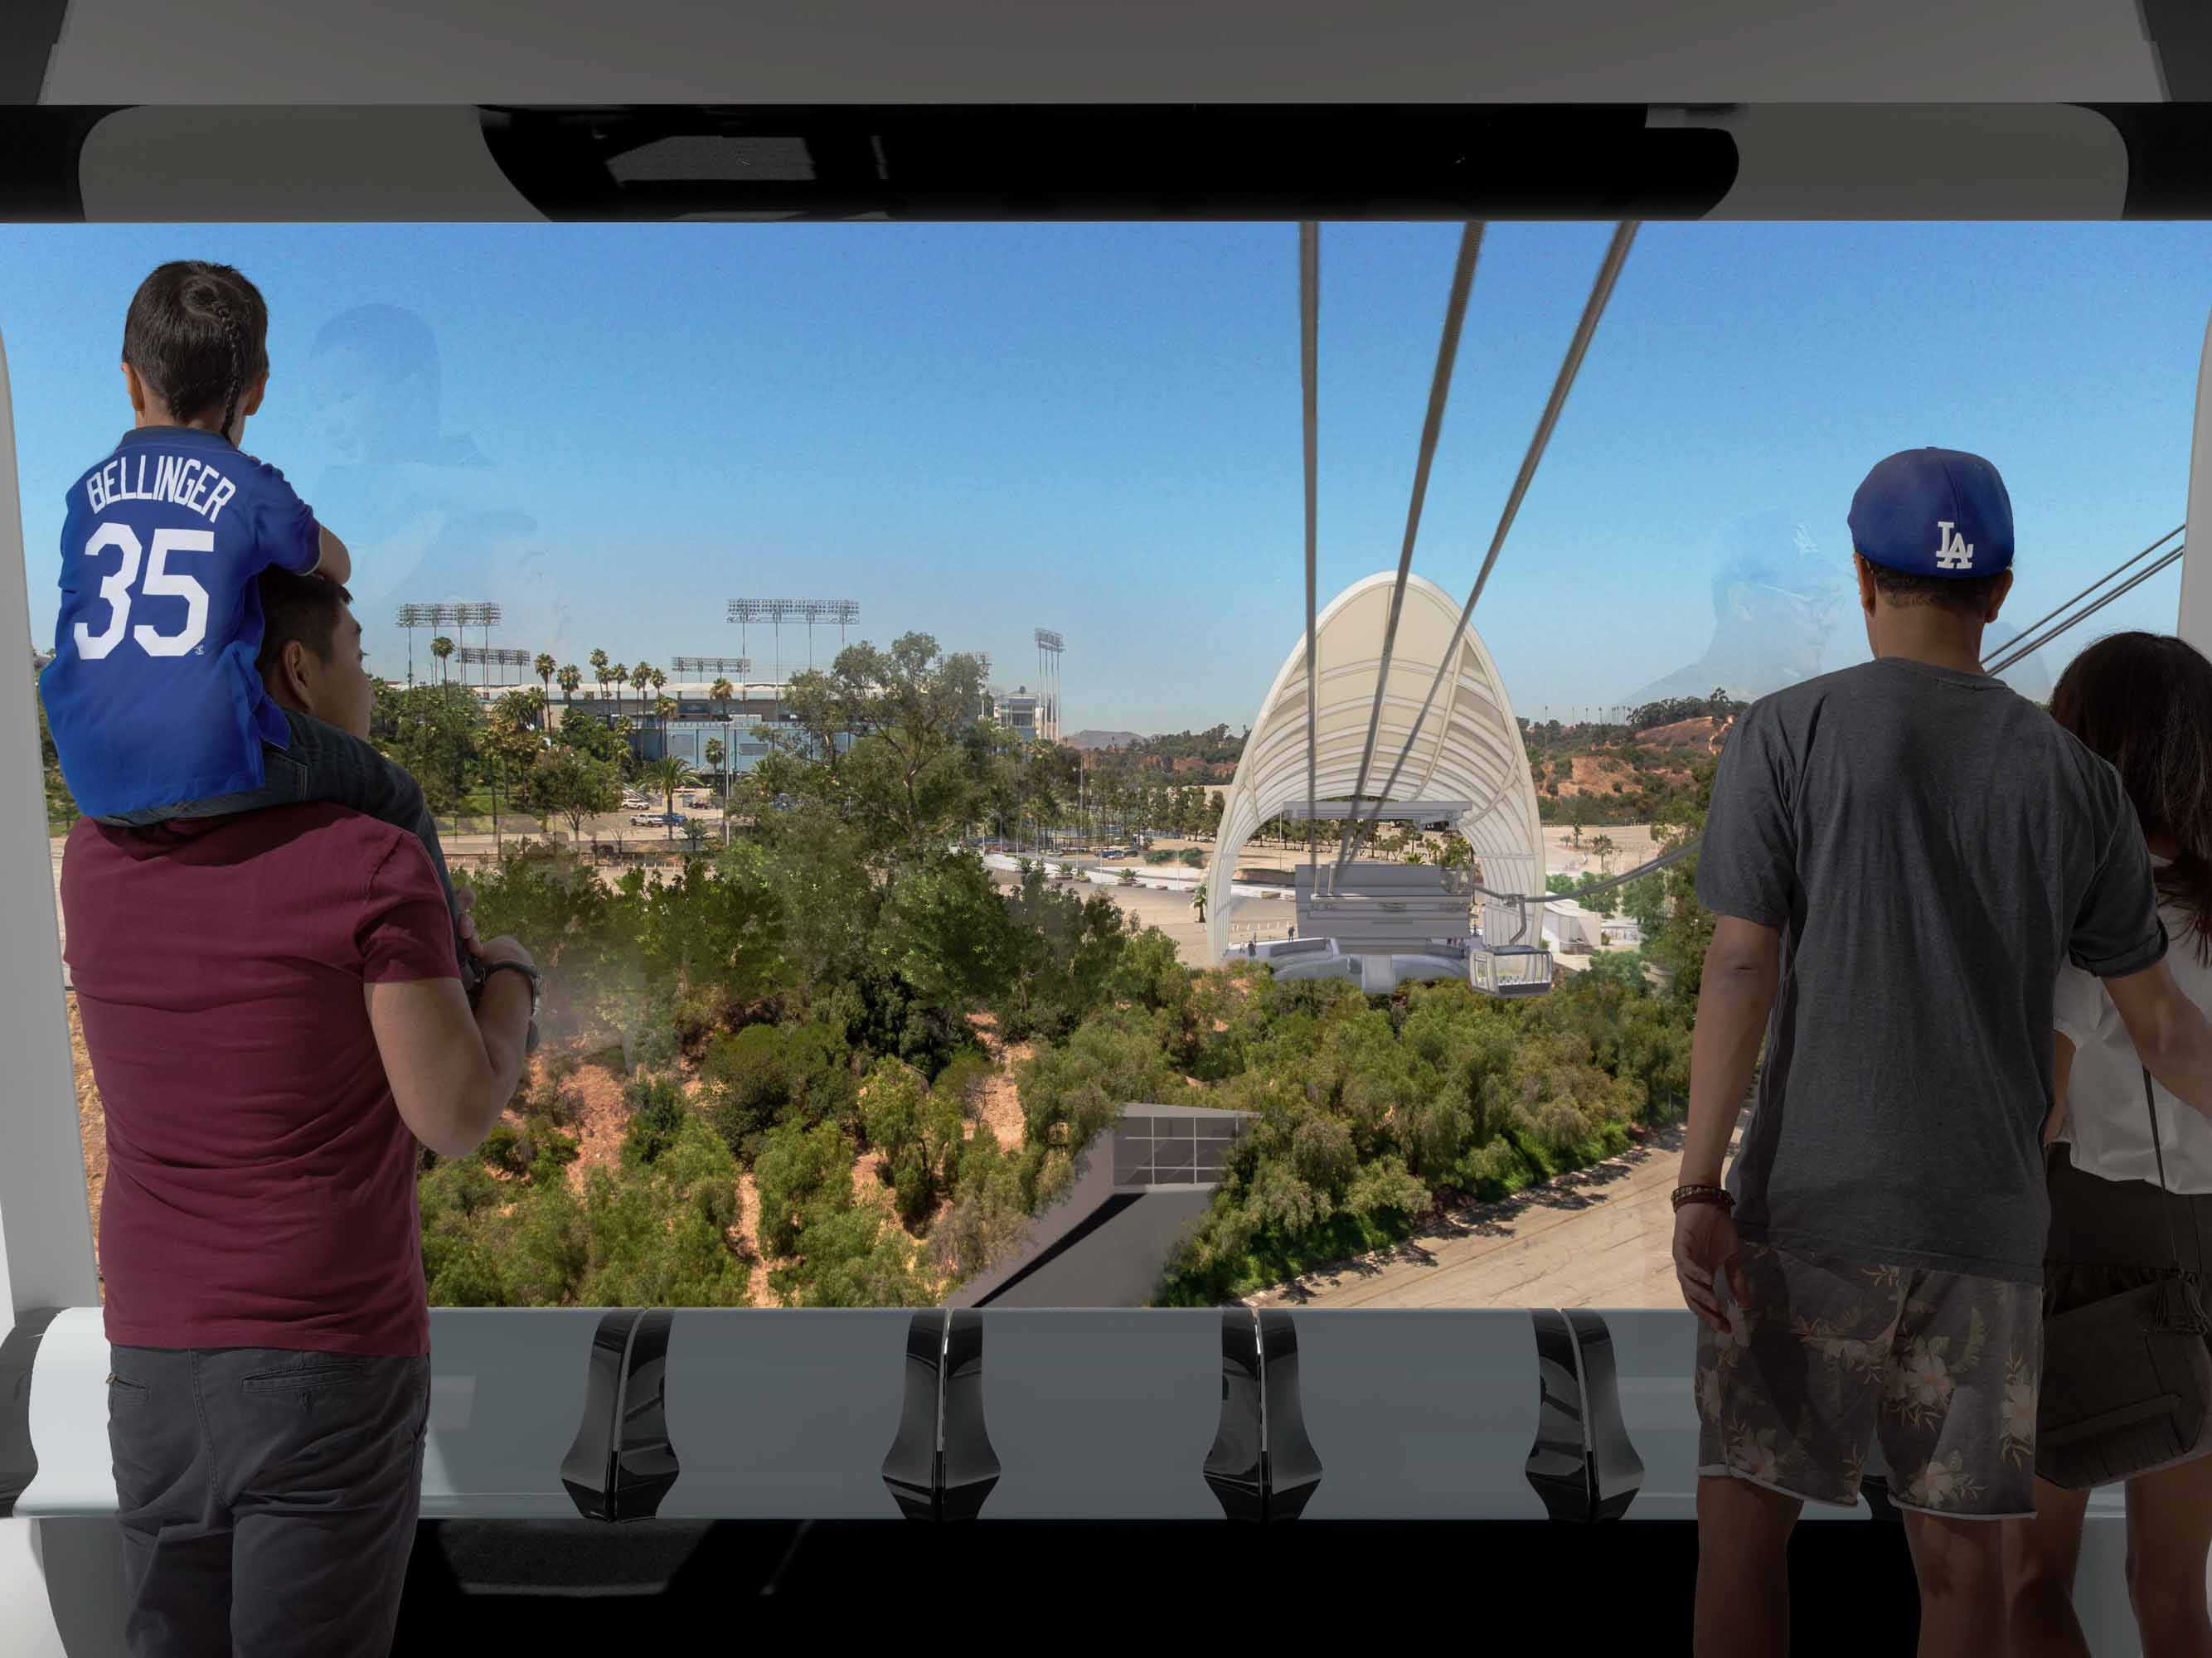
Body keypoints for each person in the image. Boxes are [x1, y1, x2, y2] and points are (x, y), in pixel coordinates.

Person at [1668, 448, 2212, 1658]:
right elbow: (2166, 1030)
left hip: (1808, 1208)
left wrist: (1701, 1182)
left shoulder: (1785, 734)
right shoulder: (2078, 785)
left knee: (1744, 1534)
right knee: (1961, 1570)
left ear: (1864, 576)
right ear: (2005, 590)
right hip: (1988, 1236)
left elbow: (1742, 966)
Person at [64, 567, 541, 1657]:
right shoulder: (368, 862)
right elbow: (456, 1112)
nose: (369, 686)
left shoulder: (93, 861)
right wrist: (510, 985)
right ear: (300, 674)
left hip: (153, 1362)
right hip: (323, 1364)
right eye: (359, 659)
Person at [36, 259, 475, 988]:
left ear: (129, 381)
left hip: (92, 772)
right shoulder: (248, 485)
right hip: (209, 756)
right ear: (257, 393)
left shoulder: (86, 493)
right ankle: (461, 976)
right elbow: (335, 562)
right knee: (394, 792)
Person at [2004, 632, 2212, 1658]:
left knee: (2030, 1578)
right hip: (2206, 1263)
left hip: (2087, 1263)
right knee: (2172, 1594)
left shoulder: (2094, 916)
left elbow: (2033, 1116)